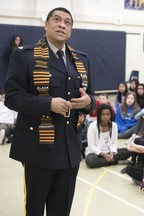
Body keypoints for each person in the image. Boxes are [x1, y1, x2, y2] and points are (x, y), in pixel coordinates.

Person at [4, 7, 95, 216]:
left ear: (71, 30)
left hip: (70, 149)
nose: (62, 25)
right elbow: (12, 97)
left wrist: (88, 101)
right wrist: (48, 105)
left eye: (67, 22)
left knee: (61, 210)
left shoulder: (81, 60)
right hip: (38, 150)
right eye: (57, 20)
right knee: (35, 209)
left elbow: (91, 97)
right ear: (46, 25)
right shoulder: (25, 56)